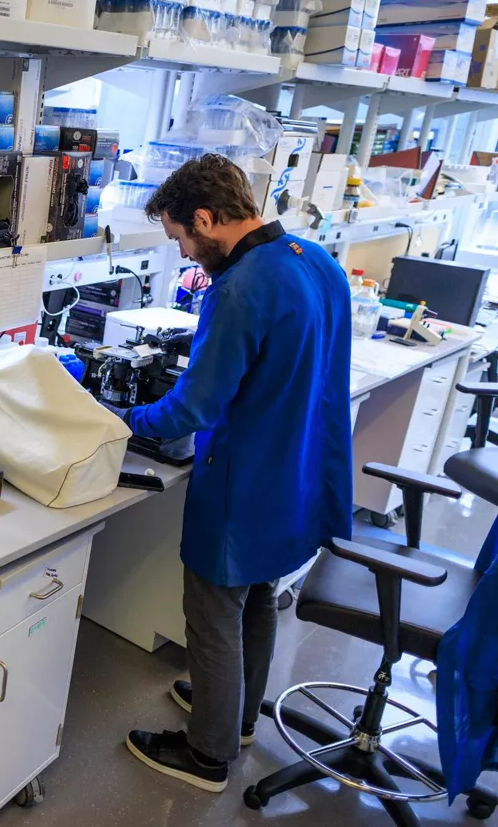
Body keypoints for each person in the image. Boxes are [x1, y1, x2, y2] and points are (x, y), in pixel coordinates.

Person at [111, 154, 354, 792]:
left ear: (204, 218)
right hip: (296, 474)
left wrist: (120, 418)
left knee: (214, 612)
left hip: (244, 481)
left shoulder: (240, 288)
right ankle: (238, 715)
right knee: (259, 596)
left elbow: (193, 409)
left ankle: (207, 754)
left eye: (181, 239)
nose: (185, 254)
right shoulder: (314, 259)